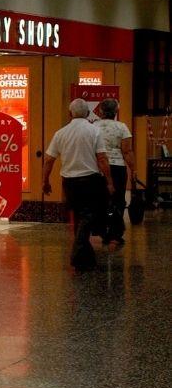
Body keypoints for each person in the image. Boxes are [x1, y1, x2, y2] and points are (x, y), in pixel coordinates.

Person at [43, 98, 113, 271]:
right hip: (90, 180)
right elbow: (102, 158)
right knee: (88, 215)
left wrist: (45, 181)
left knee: (79, 216)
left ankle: (85, 259)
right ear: (88, 113)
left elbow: (49, 160)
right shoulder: (94, 132)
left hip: (69, 182)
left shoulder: (61, 133)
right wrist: (109, 181)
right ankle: (77, 252)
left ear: (70, 113)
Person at [95, 98, 137, 247]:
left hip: (99, 167)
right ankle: (115, 233)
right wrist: (133, 169)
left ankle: (103, 230)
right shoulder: (122, 128)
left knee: (101, 200)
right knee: (118, 199)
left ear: (100, 111)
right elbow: (127, 151)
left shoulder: (94, 127)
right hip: (118, 167)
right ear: (116, 111)